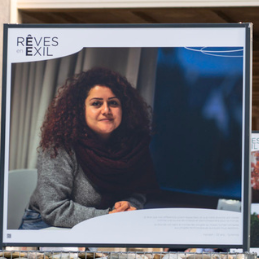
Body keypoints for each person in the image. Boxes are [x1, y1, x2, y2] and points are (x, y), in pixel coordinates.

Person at [20, 67, 160, 229]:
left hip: (104, 224)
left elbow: (138, 192)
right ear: (81, 109)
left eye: (113, 103)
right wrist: (108, 216)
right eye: (96, 103)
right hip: (46, 225)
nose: (106, 110)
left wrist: (129, 205)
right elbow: (53, 209)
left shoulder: (133, 146)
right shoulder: (60, 144)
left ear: (125, 109)